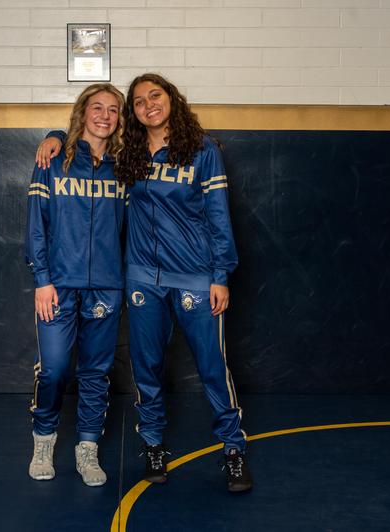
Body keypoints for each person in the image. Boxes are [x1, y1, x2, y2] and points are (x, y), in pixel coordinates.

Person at [36, 73, 251, 492]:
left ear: (173, 99)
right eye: (137, 101)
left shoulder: (202, 151)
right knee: (147, 370)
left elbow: (219, 217)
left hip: (193, 277)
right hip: (139, 278)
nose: (148, 104)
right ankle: (153, 445)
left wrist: (220, 274)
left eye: (155, 95)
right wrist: (54, 134)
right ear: (131, 115)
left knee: (212, 368)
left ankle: (233, 450)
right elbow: (85, 141)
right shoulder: (128, 156)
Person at [24, 83, 127, 487]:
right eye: (97, 107)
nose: (104, 115)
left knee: (96, 372)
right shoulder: (52, 160)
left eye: (114, 110)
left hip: (106, 286)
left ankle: (87, 448)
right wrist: (42, 280)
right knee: (53, 370)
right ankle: (44, 439)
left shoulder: (124, 167)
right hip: (58, 285)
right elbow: (36, 224)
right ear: (82, 112)